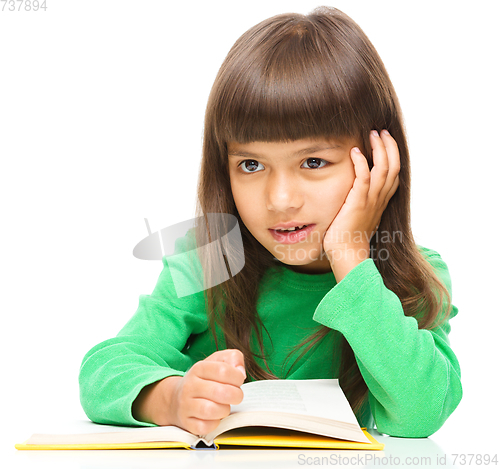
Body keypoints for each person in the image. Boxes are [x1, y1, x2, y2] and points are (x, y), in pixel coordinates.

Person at [79, 6, 462, 438]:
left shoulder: (408, 276)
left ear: (377, 162)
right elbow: (104, 369)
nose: (280, 200)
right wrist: (173, 398)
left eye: (313, 161)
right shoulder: (213, 258)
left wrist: (351, 258)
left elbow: (420, 413)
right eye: (250, 165)